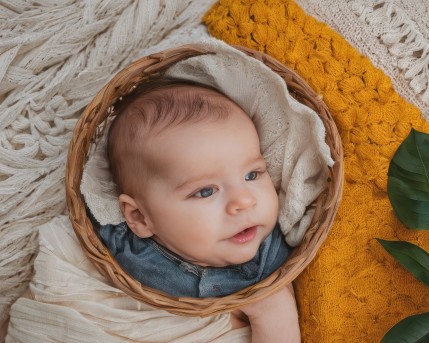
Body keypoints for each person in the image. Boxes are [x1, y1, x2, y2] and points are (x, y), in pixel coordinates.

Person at [97, 78, 301, 342]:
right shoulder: (122, 252)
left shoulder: (273, 258)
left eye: (252, 175)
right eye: (206, 191)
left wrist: (268, 309)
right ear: (140, 218)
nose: (245, 200)